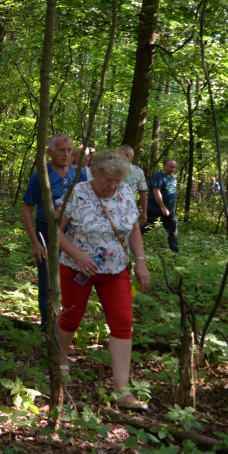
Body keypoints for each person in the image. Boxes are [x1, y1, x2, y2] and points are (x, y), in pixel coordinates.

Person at [56, 149, 152, 410]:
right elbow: (55, 230)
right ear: (93, 173)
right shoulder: (77, 194)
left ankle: (122, 389)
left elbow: (133, 229)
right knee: (71, 317)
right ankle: (61, 359)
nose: (113, 186)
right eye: (108, 180)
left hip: (115, 270)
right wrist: (77, 255)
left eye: (117, 181)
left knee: (123, 324)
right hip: (78, 270)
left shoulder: (126, 193)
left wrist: (141, 262)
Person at [21, 133, 85, 329]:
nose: (66, 154)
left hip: (74, 235)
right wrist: (35, 243)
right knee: (47, 283)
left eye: (68, 150)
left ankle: (67, 325)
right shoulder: (40, 175)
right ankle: (48, 327)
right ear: (49, 152)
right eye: (61, 150)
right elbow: (26, 209)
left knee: (72, 281)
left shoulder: (79, 173)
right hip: (46, 234)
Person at [142, 158, 180, 252]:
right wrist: (163, 207)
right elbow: (156, 192)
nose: (172, 169)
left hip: (170, 210)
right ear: (164, 166)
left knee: (173, 231)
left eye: (174, 167)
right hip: (155, 209)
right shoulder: (158, 176)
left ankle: (175, 251)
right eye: (170, 167)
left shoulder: (173, 178)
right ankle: (132, 244)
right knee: (145, 228)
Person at [119, 145, 148, 225]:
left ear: (132, 158)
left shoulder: (138, 172)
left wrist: (144, 212)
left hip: (130, 210)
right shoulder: (109, 170)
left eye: (126, 155)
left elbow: (143, 193)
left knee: (130, 234)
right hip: (111, 209)